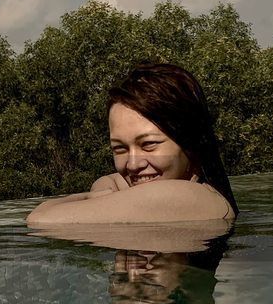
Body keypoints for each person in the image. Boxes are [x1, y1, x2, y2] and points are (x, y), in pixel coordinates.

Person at [25, 62, 237, 225]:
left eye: (149, 144)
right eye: (120, 148)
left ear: (190, 143)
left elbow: (40, 218)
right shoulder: (205, 191)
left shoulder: (187, 197)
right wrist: (106, 191)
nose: (133, 164)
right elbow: (108, 180)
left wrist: (94, 196)